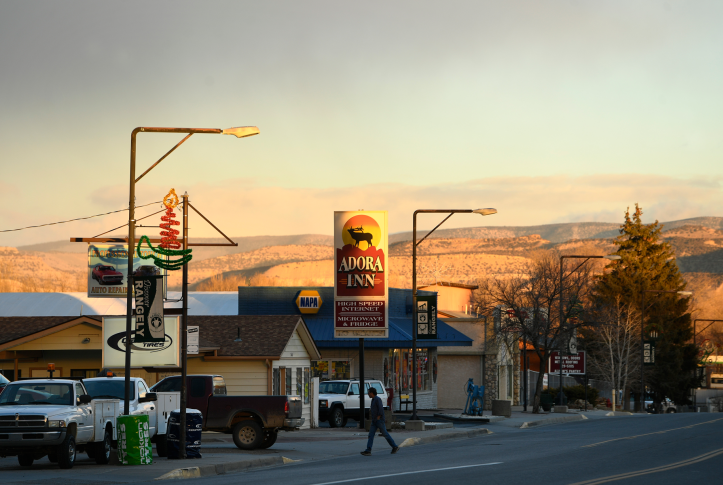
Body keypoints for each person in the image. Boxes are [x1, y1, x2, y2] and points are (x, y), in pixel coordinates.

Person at [361, 387, 399, 456]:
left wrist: (379, 417)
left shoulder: (377, 399)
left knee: (385, 434)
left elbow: (381, 409)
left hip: (379, 421)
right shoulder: (373, 400)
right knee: (371, 435)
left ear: (372, 393)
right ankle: (368, 450)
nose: (368, 394)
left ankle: (394, 446)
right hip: (374, 421)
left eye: (369, 393)